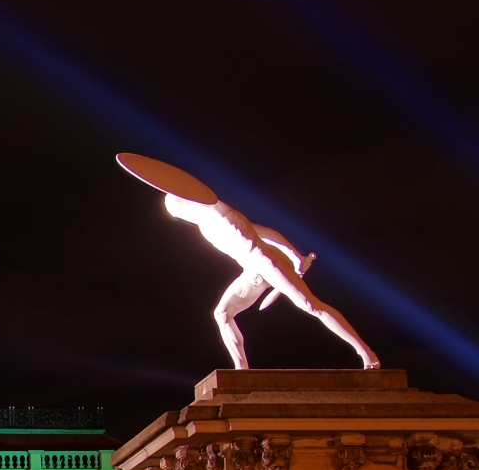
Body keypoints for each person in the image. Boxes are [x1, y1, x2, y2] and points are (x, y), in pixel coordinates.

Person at [118, 152, 379, 370]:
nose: (178, 216)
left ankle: (365, 352)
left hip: (265, 259)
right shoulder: (205, 227)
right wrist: (295, 255)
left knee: (311, 306)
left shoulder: (219, 212)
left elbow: (268, 235)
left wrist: (293, 256)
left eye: (177, 209)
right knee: (222, 314)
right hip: (252, 269)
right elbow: (263, 231)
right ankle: (241, 373)